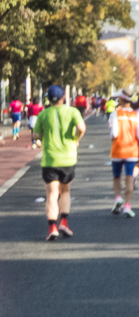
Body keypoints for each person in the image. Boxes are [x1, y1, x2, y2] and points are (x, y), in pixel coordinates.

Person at [32, 85, 85, 241]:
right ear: (63, 97)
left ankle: (52, 227)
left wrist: (42, 139)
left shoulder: (43, 114)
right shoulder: (72, 112)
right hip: (68, 158)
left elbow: (35, 134)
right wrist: (75, 139)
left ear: (48, 99)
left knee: (51, 195)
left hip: (50, 159)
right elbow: (82, 128)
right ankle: (64, 222)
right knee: (66, 191)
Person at [109, 90, 139, 219]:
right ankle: (127, 205)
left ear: (121, 100)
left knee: (116, 177)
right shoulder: (137, 115)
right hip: (132, 151)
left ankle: (118, 197)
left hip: (117, 150)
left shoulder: (115, 114)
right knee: (129, 177)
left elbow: (114, 133)